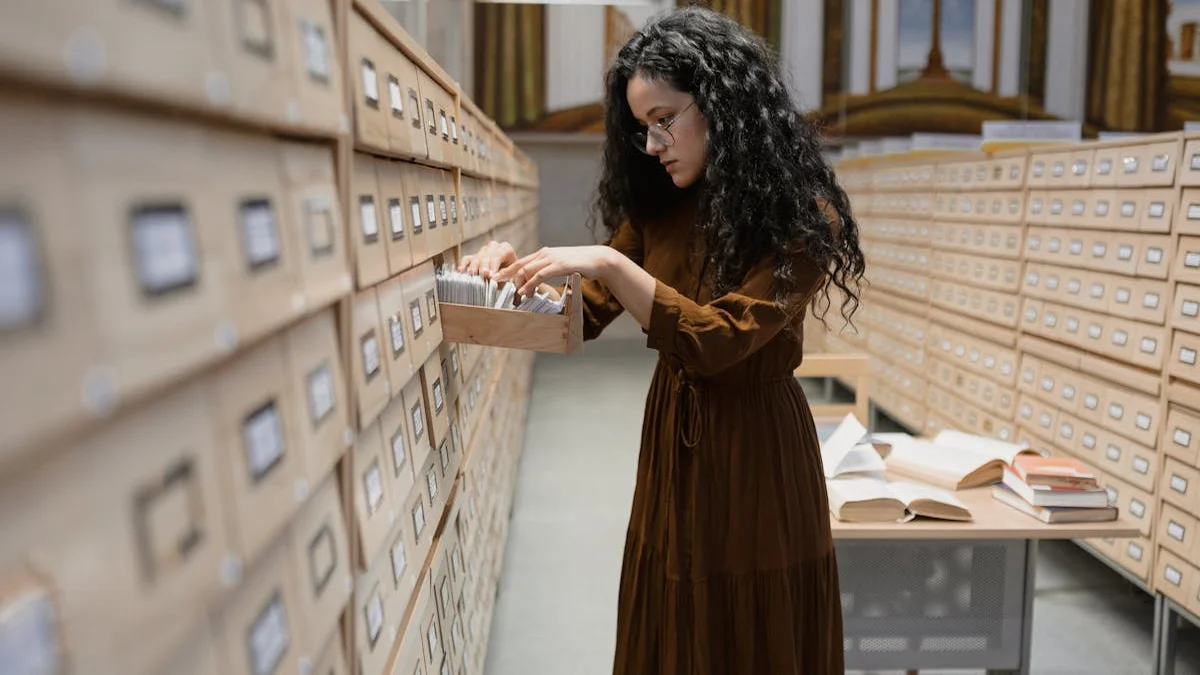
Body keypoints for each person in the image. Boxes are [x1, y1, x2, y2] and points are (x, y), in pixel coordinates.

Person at [459, 7, 864, 673]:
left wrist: (613, 264)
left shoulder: (804, 221)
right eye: (643, 127)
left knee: (753, 628)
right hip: (674, 444)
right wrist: (501, 274)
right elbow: (576, 315)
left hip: (758, 452)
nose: (653, 146)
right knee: (673, 617)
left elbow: (720, 341)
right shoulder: (657, 209)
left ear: (723, 105)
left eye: (665, 119)